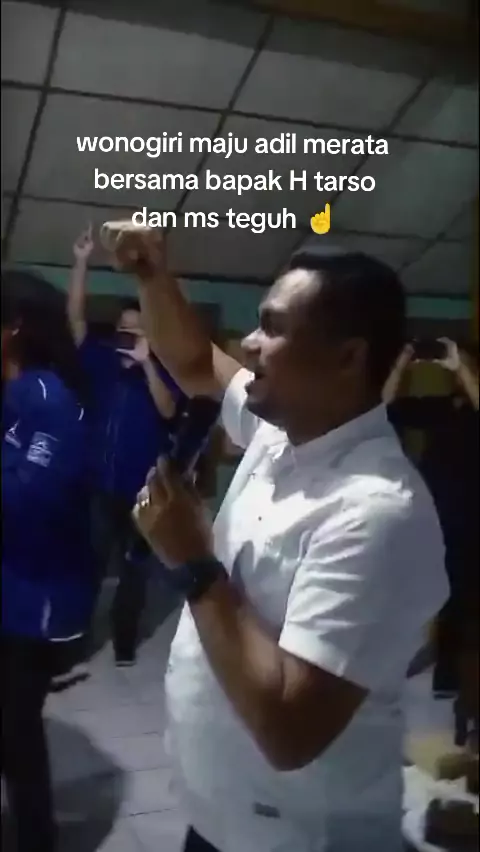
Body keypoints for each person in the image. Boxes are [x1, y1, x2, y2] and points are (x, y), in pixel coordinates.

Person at [106, 226, 448, 852]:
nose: (249, 343)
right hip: (220, 820)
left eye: (273, 327)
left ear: (348, 357)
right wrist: (151, 274)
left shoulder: (377, 512)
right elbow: (193, 361)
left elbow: (291, 730)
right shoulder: (281, 430)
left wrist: (195, 565)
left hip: (300, 838)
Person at [2, 269, 97, 852]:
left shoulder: (51, 400)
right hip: (9, 584)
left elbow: (30, 502)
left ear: (13, 328)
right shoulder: (14, 392)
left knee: (17, 731)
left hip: (33, 600)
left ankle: (38, 839)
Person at [68, 226, 183, 665]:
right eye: (123, 331)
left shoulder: (162, 367)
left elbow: (168, 410)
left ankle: (124, 643)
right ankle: (77, 639)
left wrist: (148, 363)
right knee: (90, 567)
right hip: (99, 486)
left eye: (137, 332)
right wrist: (81, 263)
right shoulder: (99, 360)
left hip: (143, 490)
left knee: (135, 570)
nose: (128, 338)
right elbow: (75, 320)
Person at [385, 340, 479, 697]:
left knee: (460, 595)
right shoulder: (442, 406)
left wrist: (462, 367)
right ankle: (429, 657)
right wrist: (402, 363)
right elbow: (384, 409)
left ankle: (449, 676)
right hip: (432, 511)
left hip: (469, 515)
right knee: (428, 588)